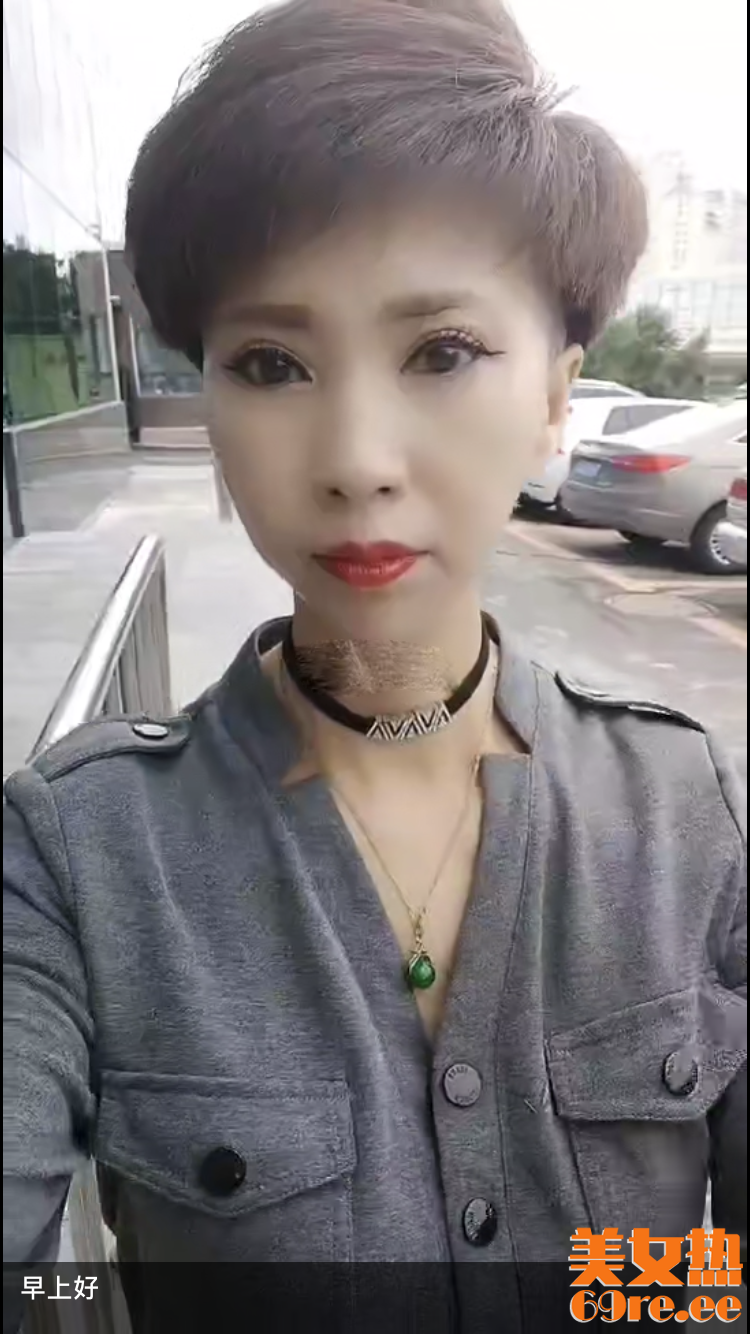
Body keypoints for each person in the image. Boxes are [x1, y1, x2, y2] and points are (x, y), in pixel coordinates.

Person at [4, 0, 746, 1329]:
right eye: (271, 362)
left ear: (556, 396)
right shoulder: (78, 856)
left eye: (440, 353)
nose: (355, 458)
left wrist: (645, 1300)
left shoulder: (689, 812)